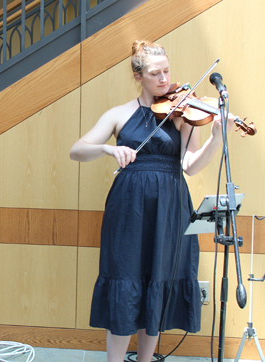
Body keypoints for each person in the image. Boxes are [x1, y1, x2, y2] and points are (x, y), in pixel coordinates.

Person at [69, 40, 235, 362]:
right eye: (155, 73)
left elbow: (190, 165)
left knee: (157, 282)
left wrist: (216, 140)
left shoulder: (181, 115)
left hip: (170, 208)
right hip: (128, 209)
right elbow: (77, 150)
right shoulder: (118, 114)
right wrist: (108, 149)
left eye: (166, 71)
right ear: (138, 76)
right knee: (125, 280)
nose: (163, 79)